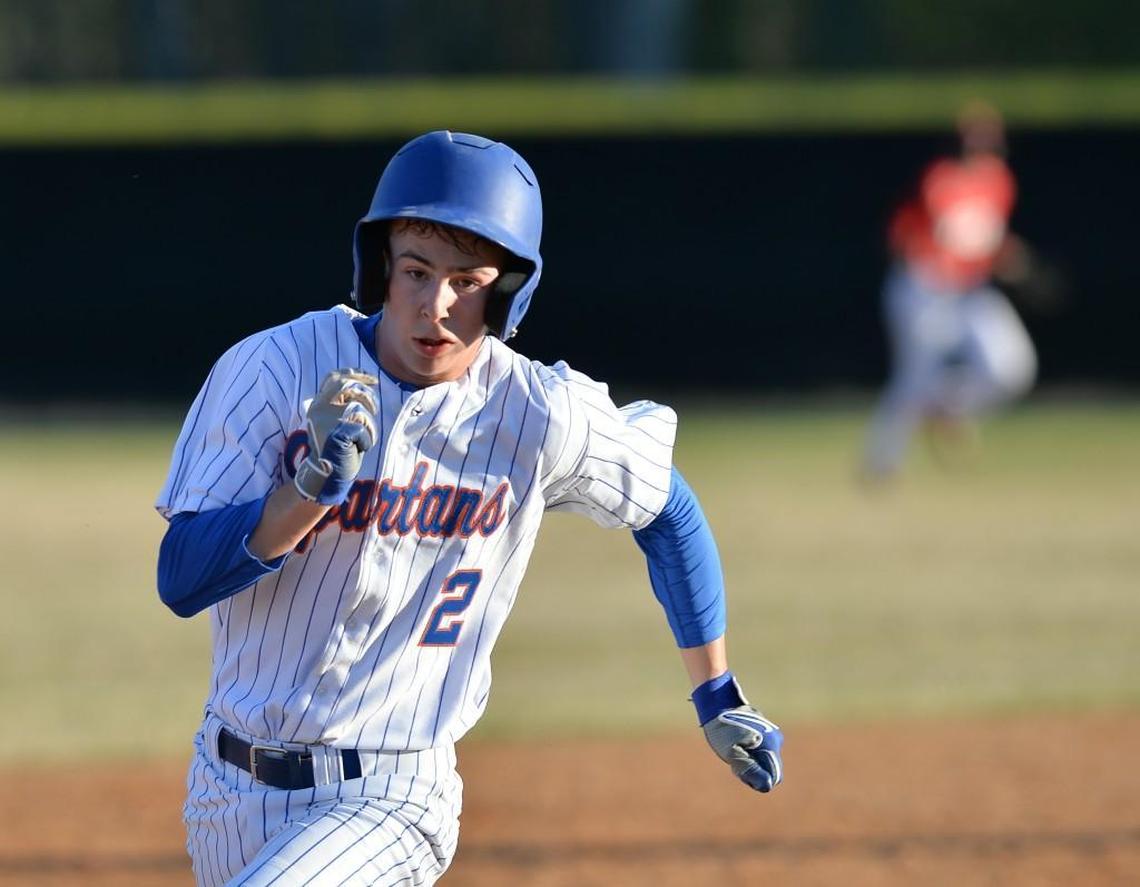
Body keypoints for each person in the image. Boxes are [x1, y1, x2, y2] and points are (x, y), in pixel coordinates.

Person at [155, 130, 783, 886]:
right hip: (225, 790)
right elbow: (181, 578)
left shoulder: (538, 413)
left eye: (468, 280)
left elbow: (667, 508)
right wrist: (306, 493)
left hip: (391, 792)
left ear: (509, 291)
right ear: (381, 265)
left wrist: (716, 691)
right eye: (416, 271)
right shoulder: (274, 367)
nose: (436, 304)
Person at [861, 101, 1038, 480]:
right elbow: (935, 237)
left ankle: (946, 406)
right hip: (924, 287)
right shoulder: (940, 178)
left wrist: (1012, 258)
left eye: (987, 137)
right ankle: (881, 463)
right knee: (913, 377)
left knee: (1012, 367)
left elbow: (986, 241)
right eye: (973, 137)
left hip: (969, 290)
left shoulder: (999, 181)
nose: (980, 144)